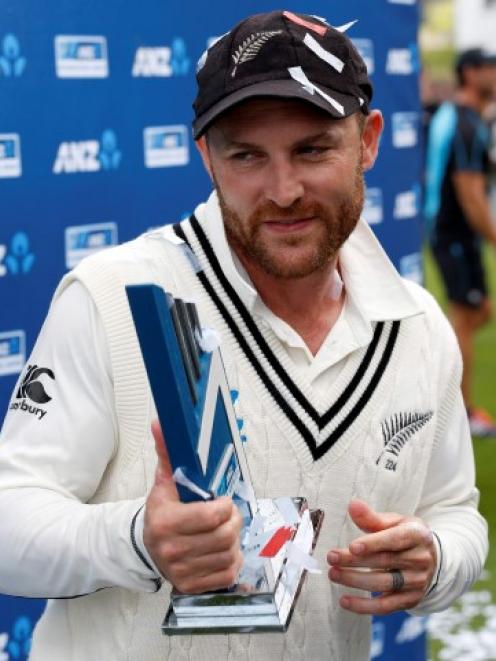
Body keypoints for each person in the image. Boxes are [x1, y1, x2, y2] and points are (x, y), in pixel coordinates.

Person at [0, 11, 488, 661]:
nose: (283, 191)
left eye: (313, 149)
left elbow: (456, 511)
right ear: (205, 155)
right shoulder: (115, 296)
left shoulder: (417, 327)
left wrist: (436, 557)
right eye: (247, 154)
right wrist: (139, 538)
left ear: (368, 140)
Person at [425, 48, 496, 438]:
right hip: (452, 230)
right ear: (469, 73)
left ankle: (443, 397)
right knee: (467, 317)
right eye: (490, 68)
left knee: (478, 311)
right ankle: (461, 415)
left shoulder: (467, 118)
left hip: (456, 230)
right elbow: (469, 193)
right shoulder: (465, 122)